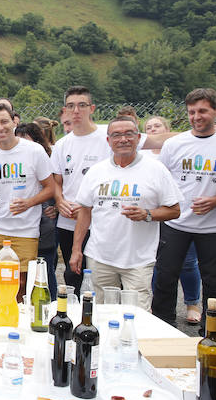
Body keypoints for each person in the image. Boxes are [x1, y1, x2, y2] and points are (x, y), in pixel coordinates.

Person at [53, 86, 172, 296]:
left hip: (105, 220)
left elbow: (158, 140)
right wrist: (59, 200)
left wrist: (194, 134)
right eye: (71, 106)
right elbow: (56, 180)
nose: (77, 110)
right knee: (74, 277)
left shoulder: (111, 134)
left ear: (92, 108)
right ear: (66, 110)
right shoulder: (62, 144)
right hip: (71, 220)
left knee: (118, 281)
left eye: (82, 105)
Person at [68, 116, 182, 309]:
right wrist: (76, 250)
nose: (123, 139)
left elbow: (175, 210)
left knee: (137, 316)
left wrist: (147, 214)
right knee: (100, 312)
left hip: (138, 260)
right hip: (100, 257)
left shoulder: (156, 169)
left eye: (129, 134)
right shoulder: (96, 172)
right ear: (108, 141)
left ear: (138, 138)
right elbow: (85, 211)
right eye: (117, 135)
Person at [0, 103, 57, 304]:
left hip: (25, 230)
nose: (0, 128)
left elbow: (50, 188)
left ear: (14, 122)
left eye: (4, 122)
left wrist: (29, 203)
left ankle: (12, 323)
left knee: (19, 282)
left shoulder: (34, 151)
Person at [152, 88, 216, 331]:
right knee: (165, 277)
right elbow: (160, 179)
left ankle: (212, 332)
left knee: (215, 283)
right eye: (191, 112)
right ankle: (163, 326)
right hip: (176, 224)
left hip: (214, 227)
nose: (196, 116)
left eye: (202, 111)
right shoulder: (175, 144)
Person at [142, 116, 202, 323]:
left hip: (183, 213)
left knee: (188, 262)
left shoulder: (178, 147)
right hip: (152, 214)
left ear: (167, 129)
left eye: (157, 125)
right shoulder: (143, 154)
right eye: (148, 127)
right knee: (159, 263)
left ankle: (193, 303)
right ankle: (157, 306)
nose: (153, 129)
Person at [16, 123, 59, 299]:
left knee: (44, 274)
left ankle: (53, 310)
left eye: (26, 141)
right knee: (21, 279)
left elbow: (56, 188)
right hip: (20, 228)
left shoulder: (47, 160)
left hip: (43, 228)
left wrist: (55, 207)